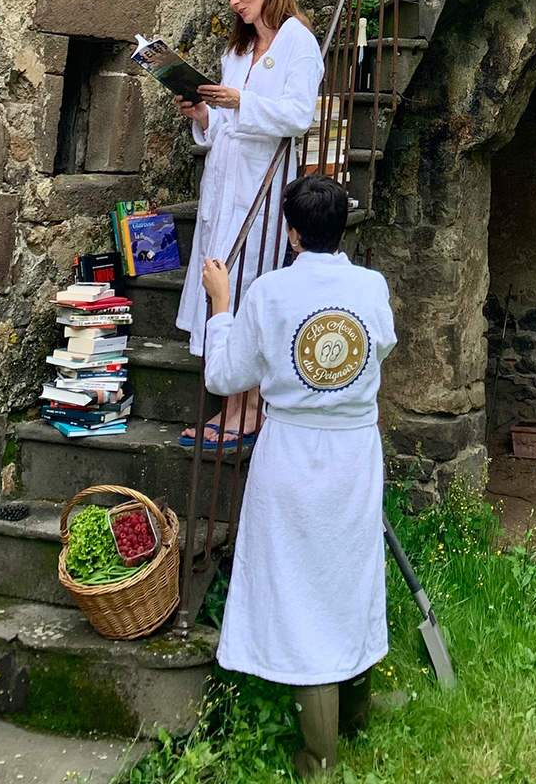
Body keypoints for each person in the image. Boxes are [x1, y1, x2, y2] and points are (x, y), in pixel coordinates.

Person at [200, 174, 397, 777]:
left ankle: (319, 754)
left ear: (289, 231)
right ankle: (353, 714)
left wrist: (221, 305)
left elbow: (225, 377)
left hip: (291, 453)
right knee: (348, 575)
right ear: (341, 229)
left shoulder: (268, 292)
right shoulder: (370, 285)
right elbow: (380, 345)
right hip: (353, 451)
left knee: (303, 592)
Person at [175, 0, 324, 449]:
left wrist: (242, 103)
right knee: (220, 282)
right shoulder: (236, 52)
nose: (235, 2)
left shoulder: (297, 42)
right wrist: (202, 112)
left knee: (245, 286)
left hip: (262, 182)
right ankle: (228, 406)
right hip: (224, 179)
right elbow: (221, 127)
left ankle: (251, 407)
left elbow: (300, 115)